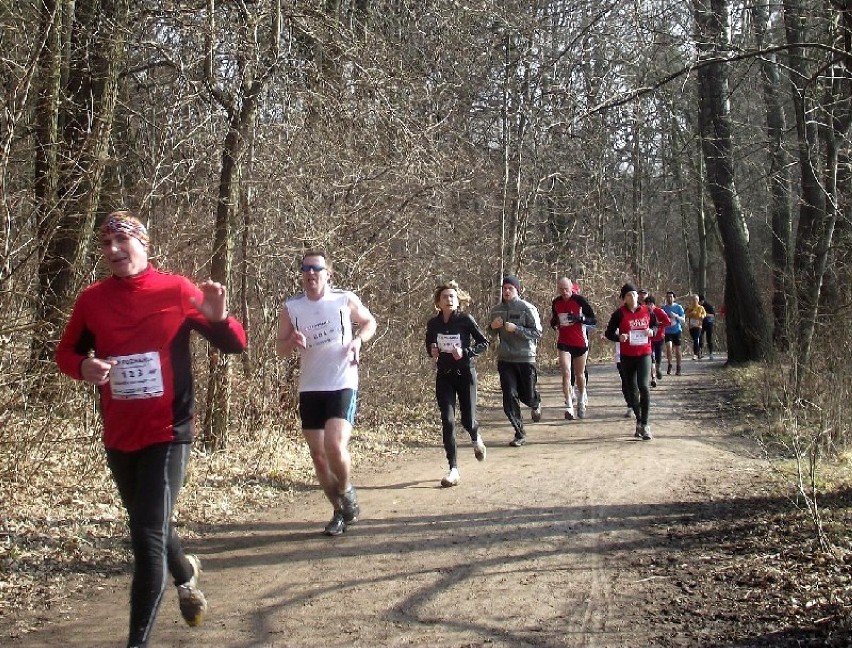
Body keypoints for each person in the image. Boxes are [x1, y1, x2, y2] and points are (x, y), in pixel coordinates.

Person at [55, 211, 248, 648]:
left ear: (144, 244)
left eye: (123, 241)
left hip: (169, 430)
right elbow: (65, 352)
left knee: (144, 536)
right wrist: (83, 365)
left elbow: (235, 344)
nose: (114, 251)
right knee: (149, 523)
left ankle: (136, 642)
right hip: (120, 433)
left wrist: (218, 319)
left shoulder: (176, 290)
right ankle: (185, 573)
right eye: (106, 244)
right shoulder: (92, 300)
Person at [276, 251, 377, 536]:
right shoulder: (292, 307)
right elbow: (279, 349)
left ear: (328, 273)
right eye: (305, 269)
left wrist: (358, 340)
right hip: (310, 386)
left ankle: (346, 491)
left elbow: (370, 323)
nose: (310, 274)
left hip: (342, 381)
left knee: (334, 446)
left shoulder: (344, 299)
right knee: (318, 456)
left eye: (316, 269)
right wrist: (291, 341)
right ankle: (338, 511)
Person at [425, 281, 489, 487]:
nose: (449, 299)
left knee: (468, 420)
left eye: (452, 296)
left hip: (465, 374)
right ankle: (453, 468)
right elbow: (430, 343)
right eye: (445, 297)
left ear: (458, 299)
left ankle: (475, 437)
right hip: (444, 375)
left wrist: (466, 352)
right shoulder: (433, 324)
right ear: (438, 302)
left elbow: (483, 343)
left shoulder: (465, 320)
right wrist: (432, 351)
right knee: (448, 420)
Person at [487, 275, 543, 447]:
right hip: (505, 359)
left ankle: (535, 402)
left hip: (525, 357)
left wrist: (517, 329)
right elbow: (489, 333)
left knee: (527, 395)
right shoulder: (496, 310)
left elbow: (538, 332)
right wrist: (492, 328)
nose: (506, 291)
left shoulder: (527, 308)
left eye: (510, 288)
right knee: (509, 396)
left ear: (517, 290)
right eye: (504, 288)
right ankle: (519, 433)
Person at [605, 283, 658, 440]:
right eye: (628, 295)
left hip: (644, 354)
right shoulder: (619, 314)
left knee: (644, 386)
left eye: (634, 294)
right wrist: (618, 337)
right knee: (632, 391)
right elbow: (608, 333)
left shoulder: (647, 310)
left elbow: (655, 325)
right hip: (627, 356)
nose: (633, 297)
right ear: (624, 299)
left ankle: (646, 424)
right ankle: (639, 420)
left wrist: (652, 331)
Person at [550, 277, 596, 419]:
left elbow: (593, 320)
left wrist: (580, 319)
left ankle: (581, 399)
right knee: (565, 372)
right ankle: (569, 405)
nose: (564, 292)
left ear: (571, 288)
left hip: (580, 342)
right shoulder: (556, 302)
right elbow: (555, 318)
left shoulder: (579, 300)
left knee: (580, 374)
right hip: (564, 342)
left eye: (566, 289)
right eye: (561, 289)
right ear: (558, 289)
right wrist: (554, 323)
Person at [643, 294, 671, 387]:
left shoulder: (660, 311)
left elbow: (668, 322)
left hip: (659, 336)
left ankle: (658, 369)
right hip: (649, 338)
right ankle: (653, 377)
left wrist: (659, 324)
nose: (649, 306)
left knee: (658, 356)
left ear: (654, 304)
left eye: (651, 304)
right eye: (647, 304)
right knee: (651, 358)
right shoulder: (644, 312)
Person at [661, 291, 685, 376]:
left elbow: (683, 320)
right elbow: (659, 319)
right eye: (667, 297)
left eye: (671, 297)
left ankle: (678, 367)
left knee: (678, 350)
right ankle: (670, 365)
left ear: (674, 298)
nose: (669, 298)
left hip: (677, 331)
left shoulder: (678, 307)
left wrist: (676, 316)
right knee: (669, 347)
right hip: (667, 331)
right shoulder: (663, 308)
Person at [685, 294, 707, 361]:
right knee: (695, 339)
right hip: (691, 326)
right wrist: (691, 314)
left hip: (698, 326)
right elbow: (686, 315)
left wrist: (702, 316)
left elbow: (704, 314)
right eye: (693, 300)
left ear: (698, 300)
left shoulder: (701, 308)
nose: (694, 301)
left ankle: (695, 354)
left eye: (696, 300)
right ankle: (699, 352)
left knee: (695, 339)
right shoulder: (690, 308)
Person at [699, 294, 716, 359]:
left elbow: (713, 315)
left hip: (709, 323)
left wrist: (705, 314)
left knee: (709, 339)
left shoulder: (708, 306)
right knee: (700, 338)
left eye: (700, 301)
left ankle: (711, 353)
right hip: (701, 324)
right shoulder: (698, 306)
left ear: (703, 300)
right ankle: (700, 353)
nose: (699, 303)